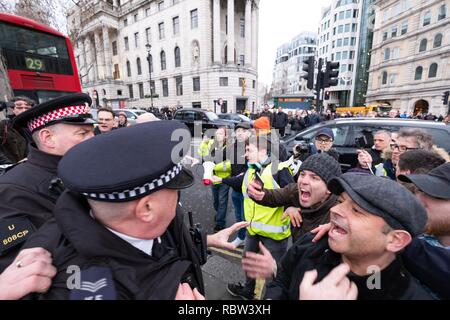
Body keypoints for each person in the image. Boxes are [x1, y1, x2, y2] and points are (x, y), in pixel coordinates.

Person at [19, 121, 247, 300]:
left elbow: (165, 249)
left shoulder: (152, 224)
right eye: (174, 190)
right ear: (146, 208)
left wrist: (206, 241)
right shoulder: (79, 286)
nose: (177, 198)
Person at [265, 173, 434, 300]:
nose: (334, 210)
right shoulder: (312, 243)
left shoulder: (407, 295)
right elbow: (282, 280)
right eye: (340, 202)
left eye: (356, 210)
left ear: (395, 240)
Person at [0, 93, 96, 272]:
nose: (92, 139)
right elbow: (20, 269)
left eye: (92, 131)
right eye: (83, 133)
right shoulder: (10, 192)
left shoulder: (89, 168)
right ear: (47, 138)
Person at [214, 135, 294, 300]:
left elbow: (292, 193)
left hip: (275, 236)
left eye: (249, 150)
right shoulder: (251, 169)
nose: (245, 154)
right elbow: (239, 183)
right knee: (248, 261)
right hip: (253, 229)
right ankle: (248, 291)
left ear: (263, 151)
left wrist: (292, 207)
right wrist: (221, 179)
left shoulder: (279, 169)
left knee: (273, 273)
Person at [246, 153, 342, 244]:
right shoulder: (295, 190)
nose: (304, 181)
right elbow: (272, 196)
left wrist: (336, 226)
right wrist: (257, 193)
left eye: (314, 178)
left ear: (329, 188)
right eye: (302, 174)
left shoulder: (340, 213)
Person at [199, 126, 232, 232]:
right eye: (217, 133)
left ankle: (220, 222)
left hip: (224, 178)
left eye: (221, 134)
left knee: (222, 201)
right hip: (213, 177)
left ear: (226, 136)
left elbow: (229, 164)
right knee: (215, 201)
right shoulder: (212, 144)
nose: (218, 135)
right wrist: (204, 143)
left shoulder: (230, 147)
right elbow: (202, 154)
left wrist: (214, 166)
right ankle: (219, 214)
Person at [227, 122, 252, 247]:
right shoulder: (233, 147)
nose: (240, 133)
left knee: (246, 217)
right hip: (236, 188)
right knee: (238, 216)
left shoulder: (252, 147)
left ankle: (250, 240)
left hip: (247, 191)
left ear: (249, 132)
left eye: (243, 130)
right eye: (237, 131)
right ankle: (241, 237)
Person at [0, 96, 34, 165]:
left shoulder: (35, 126)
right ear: (13, 109)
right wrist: (9, 164)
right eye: (19, 108)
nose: (24, 110)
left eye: (27, 108)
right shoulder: (5, 125)